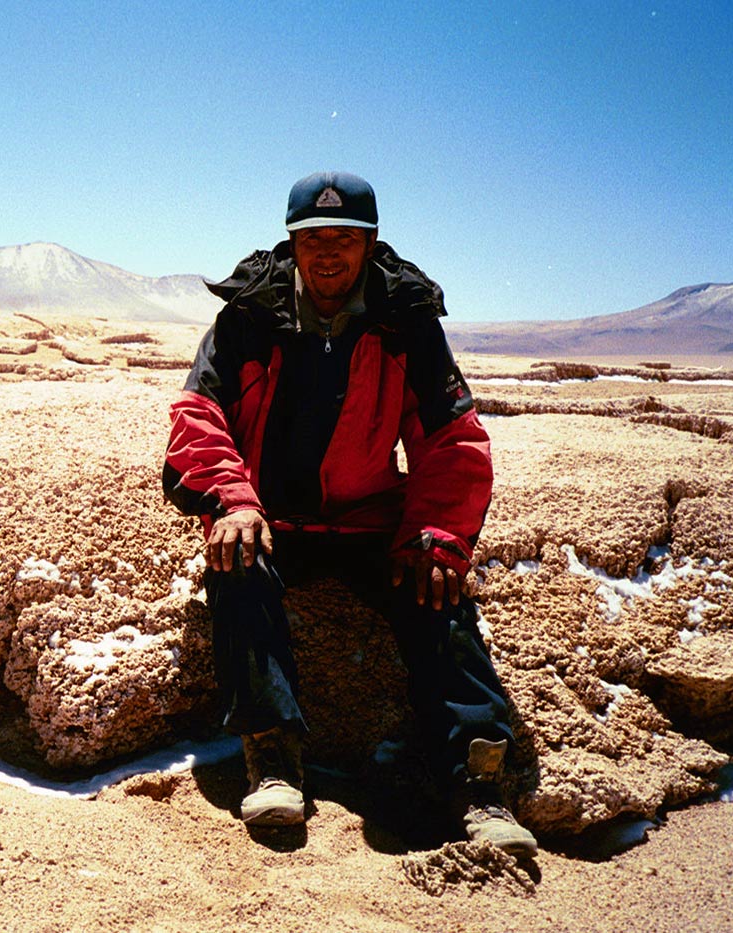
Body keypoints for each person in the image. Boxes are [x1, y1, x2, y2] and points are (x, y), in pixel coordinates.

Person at [163, 171, 536, 857]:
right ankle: (273, 757)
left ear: (369, 244)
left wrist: (437, 532)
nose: (327, 253)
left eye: (343, 239)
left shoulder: (406, 320)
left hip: (370, 520)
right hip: (271, 517)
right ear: (293, 243)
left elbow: (450, 437)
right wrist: (235, 501)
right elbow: (197, 417)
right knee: (235, 563)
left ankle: (480, 788)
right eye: (312, 239)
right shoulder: (249, 313)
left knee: (438, 589)